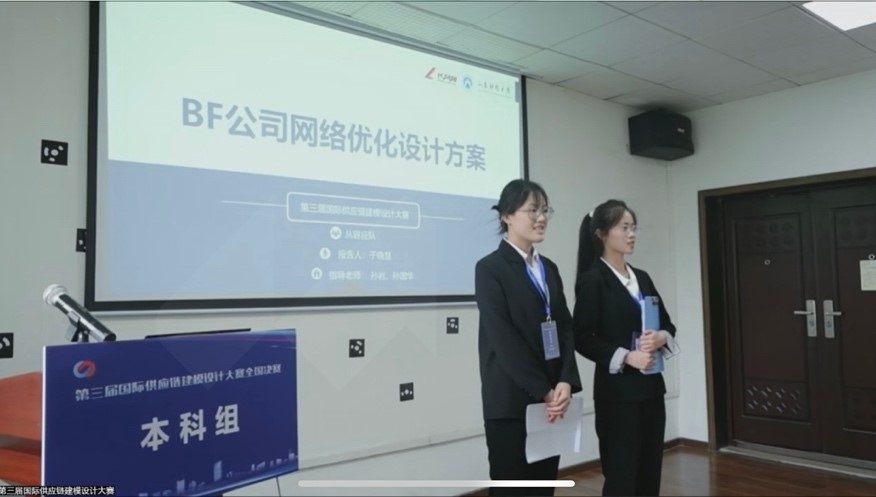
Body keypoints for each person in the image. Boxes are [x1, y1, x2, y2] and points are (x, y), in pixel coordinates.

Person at [475, 179, 582, 496]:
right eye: (532, 210)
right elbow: (503, 340)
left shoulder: (549, 268)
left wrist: (565, 381)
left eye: (545, 210)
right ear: (507, 216)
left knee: (543, 486)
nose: (541, 217)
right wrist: (544, 390)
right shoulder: (490, 268)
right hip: (511, 401)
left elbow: (565, 327)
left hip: (552, 400)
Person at [572, 199, 679, 496]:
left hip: (651, 389)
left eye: (634, 228)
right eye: (624, 228)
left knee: (649, 470)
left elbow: (668, 325)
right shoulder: (593, 280)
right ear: (602, 234)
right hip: (617, 396)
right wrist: (627, 357)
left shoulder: (642, 277)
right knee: (622, 475)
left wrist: (661, 337)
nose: (632, 235)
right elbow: (582, 337)